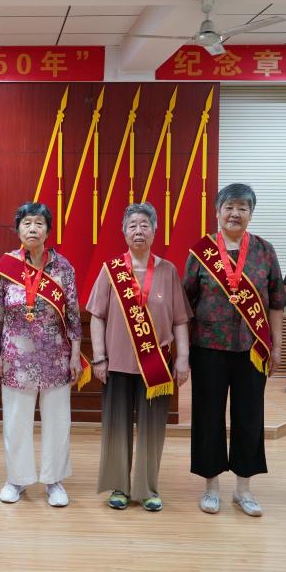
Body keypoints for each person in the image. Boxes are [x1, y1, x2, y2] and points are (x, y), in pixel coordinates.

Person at [182, 184, 284, 517]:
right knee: (208, 415)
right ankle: (211, 487)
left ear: (251, 213)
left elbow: (277, 301)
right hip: (208, 346)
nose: (235, 214)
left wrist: (276, 345)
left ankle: (244, 490)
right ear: (217, 212)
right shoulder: (201, 251)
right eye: (228, 207)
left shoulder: (265, 251)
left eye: (242, 207)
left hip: (252, 348)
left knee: (250, 417)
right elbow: (186, 301)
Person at [88, 202, 190, 513]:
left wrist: (182, 358)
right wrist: (99, 357)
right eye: (132, 225)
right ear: (123, 232)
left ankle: (147, 488)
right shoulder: (111, 270)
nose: (138, 230)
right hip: (117, 364)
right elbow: (97, 316)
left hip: (155, 366)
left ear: (155, 231)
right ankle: (119, 486)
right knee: (116, 426)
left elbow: (180, 320)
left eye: (145, 225)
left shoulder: (167, 271)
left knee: (152, 429)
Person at [0, 202, 82, 507]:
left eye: (39, 223)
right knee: (16, 420)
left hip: (56, 356)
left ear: (48, 231)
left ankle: (54, 481)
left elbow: (73, 315)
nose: (32, 228)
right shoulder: (6, 266)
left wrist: (75, 355)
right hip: (15, 357)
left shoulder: (63, 267)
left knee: (57, 421)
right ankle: (17, 479)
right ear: (18, 229)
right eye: (26, 222)